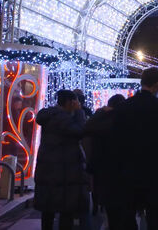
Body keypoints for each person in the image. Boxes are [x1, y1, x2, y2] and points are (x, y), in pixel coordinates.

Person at [114, 67, 158, 230]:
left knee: (128, 215)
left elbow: (117, 138)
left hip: (128, 170)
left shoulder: (125, 106)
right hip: (153, 170)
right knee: (154, 217)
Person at [34, 89, 91, 230]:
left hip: (47, 171)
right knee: (67, 212)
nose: (78, 104)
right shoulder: (66, 119)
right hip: (66, 173)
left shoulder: (49, 117)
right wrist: (79, 112)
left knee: (48, 211)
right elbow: (81, 131)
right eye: (76, 101)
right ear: (71, 103)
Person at [83, 94, 126, 224]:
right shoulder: (126, 120)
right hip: (123, 169)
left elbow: (88, 127)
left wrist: (101, 112)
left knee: (111, 207)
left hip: (105, 168)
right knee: (124, 210)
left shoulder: (102, 122)